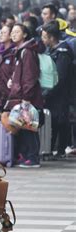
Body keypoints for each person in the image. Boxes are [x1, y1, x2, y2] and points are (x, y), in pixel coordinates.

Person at [6, 24, 44, 168]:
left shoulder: (27, 51)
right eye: (12, 32)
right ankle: (27, 156)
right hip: (22, 95)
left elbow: (29, 76)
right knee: (24, 125)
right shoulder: (20, 51)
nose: (13, 34)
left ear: (25, 35)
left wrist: (26, 99)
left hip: (28, 97)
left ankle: (32, 158)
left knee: (29, 126)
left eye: (17, 32)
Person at [41, 20, 74, 157]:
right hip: (51, 93)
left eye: (44, 37)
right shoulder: (51, 51)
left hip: (61, 94)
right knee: (53, 120)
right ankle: (53, 149)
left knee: (60, 120)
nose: (42, 40)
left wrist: (47, 92)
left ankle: (61, 149)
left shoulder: (63, 53)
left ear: (52, 37)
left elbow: (60, 78)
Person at [0, 24, 15, 111]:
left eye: (4, 33)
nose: (1, 35)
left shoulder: (14, 53)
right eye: (1, 32)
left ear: (11, 35)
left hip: (11, 95)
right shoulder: (0, 53)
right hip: (1, 94)